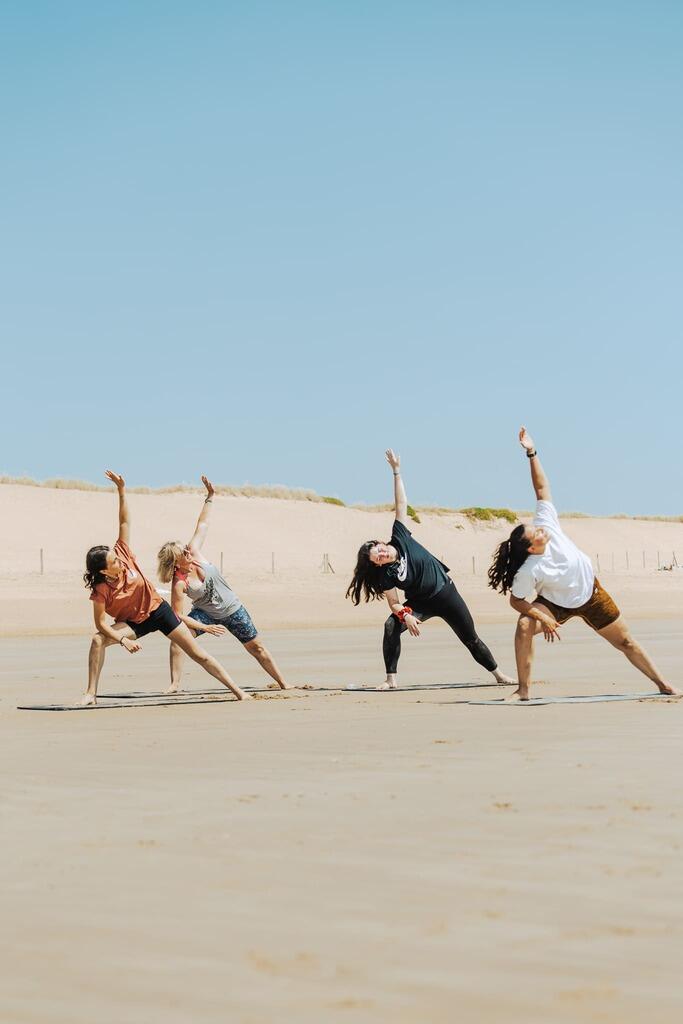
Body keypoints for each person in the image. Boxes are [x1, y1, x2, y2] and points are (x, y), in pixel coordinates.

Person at [488, 427, 680, 701]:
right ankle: (523, 690)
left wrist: (531, 452)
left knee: (626, 641)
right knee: (524, 626)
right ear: (531, 549)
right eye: (536, 533)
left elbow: (542, 489)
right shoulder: (529, 570)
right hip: (556, 604)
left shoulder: (547, 524)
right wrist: (543, 617)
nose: (541, 529)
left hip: (592, 594)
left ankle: (663, 684)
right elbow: (517, 601)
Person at [346, 450, 514, 690]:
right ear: (377, 564)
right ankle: (391, 679)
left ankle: (499, 674)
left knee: (471, 639)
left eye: (379, 550)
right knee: (390, 626)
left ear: (381, 543)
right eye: (378, 558)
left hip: (446, 594)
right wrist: (406, 615)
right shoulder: (386, 575)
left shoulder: (400, 536)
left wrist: (396, 472)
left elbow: (401, 504)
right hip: (420, 603)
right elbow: (394, 602)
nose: (382, 555)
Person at [82, 471, 250, 705]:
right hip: (133, 623)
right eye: (113, 562)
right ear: (103, 571)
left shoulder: (123, 553)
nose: (118, 560)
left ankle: (239, 692)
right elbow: (100, 624)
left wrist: (121, 490)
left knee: (198, 654)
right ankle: (91, 694)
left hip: (159, 611)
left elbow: (124, 522)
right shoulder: (100, 589)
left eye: (117, 557)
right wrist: (123, 640)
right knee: (98, 640)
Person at [157, 476, 291, 693]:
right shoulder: (179, 583)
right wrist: (204, 627)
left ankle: (284, 683)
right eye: (183, 553)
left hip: (232, 609)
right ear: (176, 562)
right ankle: (175, 684)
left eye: (186, 549)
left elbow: (203, 524)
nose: (188, 551)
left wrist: (210, 496)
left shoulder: (195, 552)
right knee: (178, 637)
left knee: (256, 648)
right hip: (205, 614)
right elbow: (178, 615)